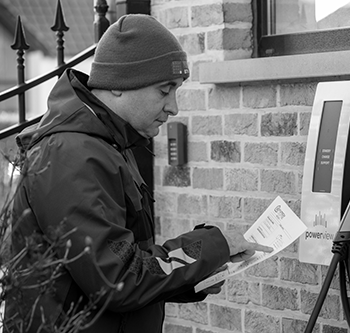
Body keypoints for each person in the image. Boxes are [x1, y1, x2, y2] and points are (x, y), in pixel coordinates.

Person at [5, 14, 272, 333]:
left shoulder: (106, 144)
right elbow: (118, 278)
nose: (174, 107)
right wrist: (211, 247)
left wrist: (194, 278)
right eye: (164, 90)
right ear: (120, 85)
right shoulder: (72, 154)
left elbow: (123, 262)